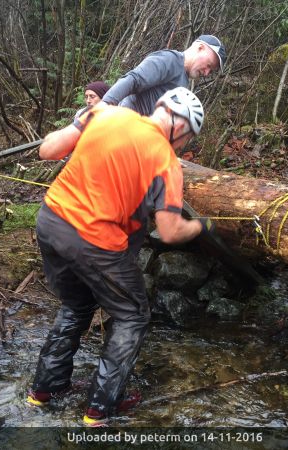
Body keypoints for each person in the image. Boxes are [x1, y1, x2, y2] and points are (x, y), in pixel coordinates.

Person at [27, 87, 215, 426]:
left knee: (77, 305)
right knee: (133, 315)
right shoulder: (166, 163)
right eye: (186, 141)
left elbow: (47, 149)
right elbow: (171, 231)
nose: (183, 147)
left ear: (160, 108)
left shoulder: (105, 112)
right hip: (94, 240)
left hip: (51, 222)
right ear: (183, 130)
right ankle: (100, 408)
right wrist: (200, 227)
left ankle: (45, 390)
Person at [101, 35, 226, 116]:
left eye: (211, 70)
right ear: (200, 47)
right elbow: (133, 79)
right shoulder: (170, 60)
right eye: (209, 65)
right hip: (123, 127)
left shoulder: (184, 81)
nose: (207, 73)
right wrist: (104, 104)